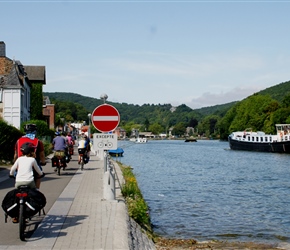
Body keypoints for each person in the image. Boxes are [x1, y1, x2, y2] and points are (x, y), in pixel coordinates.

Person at [14, 124, 46, 189]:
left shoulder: (18, 140)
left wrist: (15, 162)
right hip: (33, 164)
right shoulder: (38, 141)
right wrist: (43, 162)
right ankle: (37, 189)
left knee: (16, 174)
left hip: (20, 164)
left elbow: (15, 155)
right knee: (39, 174)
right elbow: (42, 155)